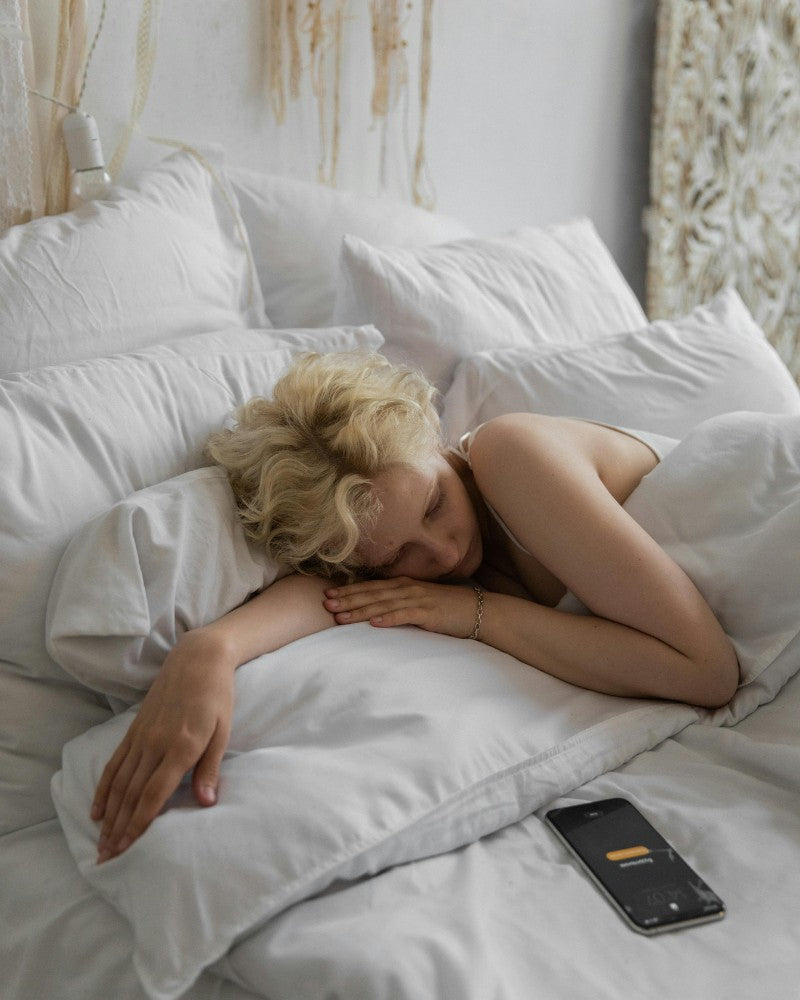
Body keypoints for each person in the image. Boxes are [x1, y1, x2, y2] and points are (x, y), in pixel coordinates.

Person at [92, 351, 739, 863]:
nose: (442, 554)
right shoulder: (417, 559)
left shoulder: (511, 457)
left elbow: (705, 673)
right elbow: (330, 600)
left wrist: (476, 614)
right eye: (392, 558)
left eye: (433, 505)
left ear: (435, 439)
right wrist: (211, 649)